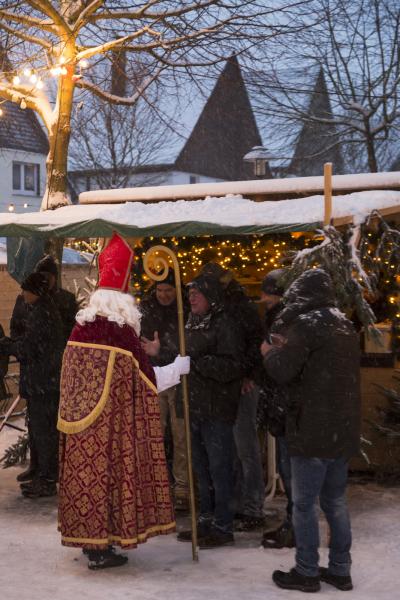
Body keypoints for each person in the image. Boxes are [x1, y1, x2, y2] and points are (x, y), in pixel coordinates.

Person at [57, 234, 189, 570]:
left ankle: (91, 542)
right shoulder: (120, 333)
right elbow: (148, 381)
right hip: (111, 428)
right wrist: (178, 367)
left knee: (88, 482)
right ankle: (103, 548)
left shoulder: (80, 327)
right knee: (111, 482)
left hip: (79, 428)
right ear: (123, 300)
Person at [261, 269, 361, 593]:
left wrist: (271, 352)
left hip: (311, 430)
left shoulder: (306, 325)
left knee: (304, 505)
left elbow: (283, 370)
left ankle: (306, 571)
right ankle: (340, 570)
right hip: (341, 430)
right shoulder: (344, 325)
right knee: (335, 502)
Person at [142, 272, 244, 548]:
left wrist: (199, 364)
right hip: (193, 404)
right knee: (201, 468)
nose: (191, 297)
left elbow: (232, 365)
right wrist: (159, 352)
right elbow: (180, 356)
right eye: (190, 293)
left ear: (210, 296)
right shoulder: (193, 321)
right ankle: (204, 521)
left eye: (197, 293)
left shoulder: (224, 324)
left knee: (219, 468)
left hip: (216, 407)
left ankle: (223, 525)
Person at [200, 262, 265, 531]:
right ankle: (240, 504)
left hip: (241, 385)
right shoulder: (224, 309)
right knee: (235, 448)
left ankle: (252, 506)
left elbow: (253, 344)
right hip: (228, 385)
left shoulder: (237, 309)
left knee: (245, 447)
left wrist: (247, 375)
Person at [0, 272, 65, 498]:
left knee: (44, 431)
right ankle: (43, 474)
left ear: (35, 292)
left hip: (44, 382)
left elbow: (29, 349)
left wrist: (8, 346)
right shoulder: (43, 309)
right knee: (41, 430)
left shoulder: (41, 314)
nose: (22, 294)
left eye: (25, 290)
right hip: (44, 381)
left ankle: (46, 479)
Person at [140, 268, 190, 511]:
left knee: (181, 435)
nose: (164, 295)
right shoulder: (147, 309)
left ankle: (182, 486)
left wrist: (164, 352)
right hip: (156, 377)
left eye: (169, 290)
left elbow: (186, 346)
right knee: (155, 432)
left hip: (179, 379)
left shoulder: (186, 309)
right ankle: (156, 484)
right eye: (160, 290)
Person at [258, 269, 295, 549]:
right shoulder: (280, 318)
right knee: (290, 469)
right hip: (282, 405)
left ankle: (295, 527)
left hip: (287, 406)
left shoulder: (285, 321)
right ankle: (293, 524)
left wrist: (268, 353)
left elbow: (284, 368)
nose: (262, 298)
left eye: (267, 293)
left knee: (291, 470)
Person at [34, 254, 78, 344]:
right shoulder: (30, 298)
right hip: (35, 351)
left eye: (48, 276)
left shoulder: (67, 299)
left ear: (55, 277)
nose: (45, 280)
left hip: (59, 350)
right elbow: (18, 326)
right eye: (41, 276)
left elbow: (72, 329)